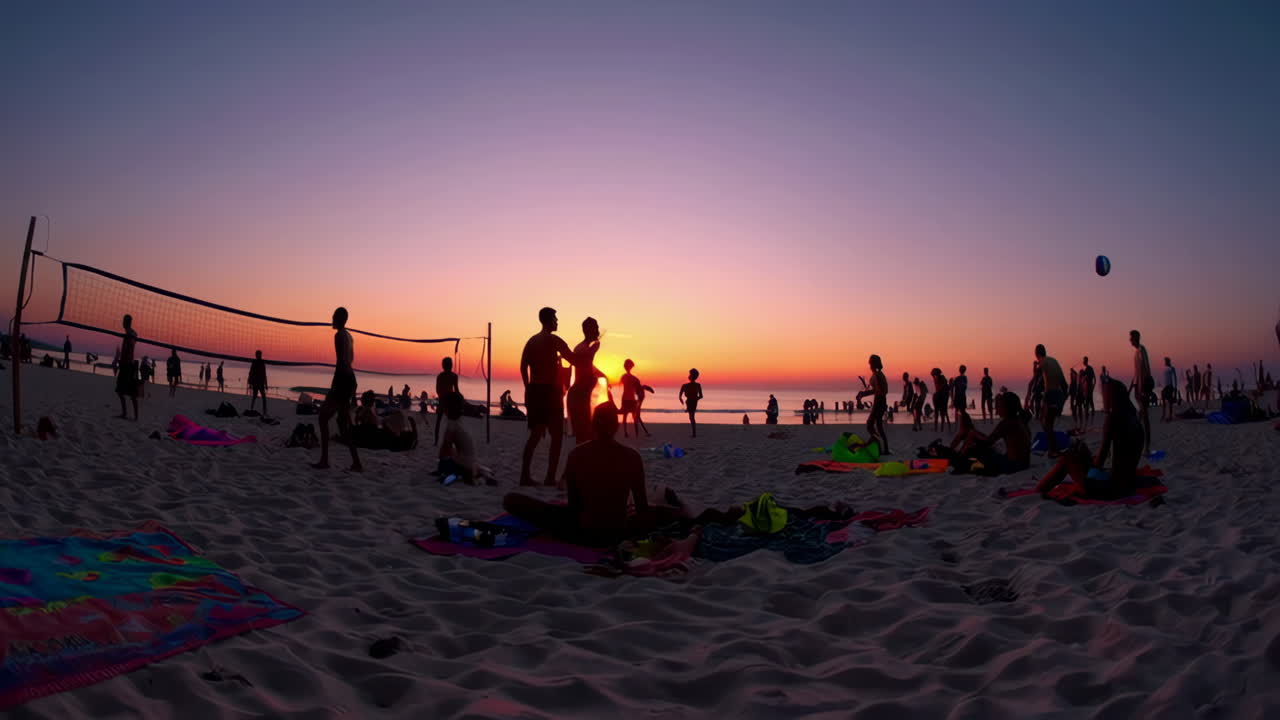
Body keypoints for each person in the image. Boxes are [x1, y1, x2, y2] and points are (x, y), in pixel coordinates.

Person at [503, 401, 678, 546]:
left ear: (593, 424)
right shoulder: (632, 457)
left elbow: (574, 506)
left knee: (511, 500)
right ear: (616, 425)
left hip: (581, 531)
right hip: (616, 532)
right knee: (663, 513)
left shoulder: (576, 454)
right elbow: (641, 508)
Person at [1035, 379, 1144, 499]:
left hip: (1112, 488)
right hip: (1128, 484)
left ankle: (1038, 491)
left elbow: (1100, 461)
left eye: (1105, 395)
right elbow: (1121, 458)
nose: (1103, 399)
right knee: (1081, 453)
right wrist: (1087, 457)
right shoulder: (1134, 419)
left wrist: (1087, 463)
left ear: (1112, 397)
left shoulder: (1113, 419)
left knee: (1067, 458)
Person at [520, 307, 577, 487]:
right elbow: (574, 359)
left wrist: (528, 387)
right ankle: (550, 477)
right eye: (555, 319)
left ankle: (524, 475)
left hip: (535, 391)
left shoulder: (532, 341)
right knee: (557, 436)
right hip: (551, 393)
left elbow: (523, 366)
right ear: (549, 320)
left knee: (535, 435)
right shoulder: (553, 340)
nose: (557, 322)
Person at [313, 307, 362, 472]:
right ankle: (356, 463)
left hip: (343, 380)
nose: (331, 318)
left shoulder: (339, 335)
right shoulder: (349, 336)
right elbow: (350, 360)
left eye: (334, 316)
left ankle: (324, 460)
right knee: (343, 423)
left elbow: (341, 362)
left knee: (323, 418)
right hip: (350, 379)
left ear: (340, 319)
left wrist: (334, 386)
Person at [438, 392, 493, 485]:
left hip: (465, 465)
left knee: (443, 465)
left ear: (448, 408)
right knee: (452, 454)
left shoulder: (451, 425)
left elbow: (445, 449)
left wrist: (442, 459)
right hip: (472, 462)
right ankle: (474, 473)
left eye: (444, 406)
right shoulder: (460, 422)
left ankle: (456, 476)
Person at [567, 317, 605, 445]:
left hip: (582, 393)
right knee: (583, 432)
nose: (598, 331)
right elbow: (583, 363)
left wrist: (601, 374)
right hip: (579, 393)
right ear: (588, 330)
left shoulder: (586, 347)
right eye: (596, 327)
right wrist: (592, 350)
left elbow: (588, 366)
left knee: (586, 432)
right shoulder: (584, 348)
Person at [1035, 344, 1069, 457]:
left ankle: (1053, 449)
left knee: (1045, 422)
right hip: (1059, 394)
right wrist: (1063, 400)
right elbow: (1064, 384)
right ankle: (1053, 446)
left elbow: (1035, 378)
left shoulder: (1042, 362)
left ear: (1036, 354)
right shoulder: (1054, 360)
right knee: (1048, 422)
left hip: (1050, 393)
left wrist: (1035, 367)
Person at [856, 355, 890, 454]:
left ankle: (877, 443)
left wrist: (864, 394)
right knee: (878, 426)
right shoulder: (879, 374)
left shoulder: (878, 375)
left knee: (870, 424)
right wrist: (863, 394)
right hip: (881, 401)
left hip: (879, 401)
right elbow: (878, 390)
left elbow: (882, 391)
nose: (869, 365)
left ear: (874, 364)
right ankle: (885, 449)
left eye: (870, 363)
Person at [1129, 330, 1153, 458]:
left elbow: (1147, 369)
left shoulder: (1142, 350)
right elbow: (1136, 371)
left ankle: (1147, 446)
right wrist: (1133, 384)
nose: (1129, 340)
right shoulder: (1135, 353)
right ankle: (1138, 442)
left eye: (1131, 338)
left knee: (1145, 417)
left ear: (1136, 338)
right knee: (1140, 416)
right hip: (1137, 388)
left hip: (1143, 387)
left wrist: (1146, 388)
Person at [619, 359, 654, 438]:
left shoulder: (624, 377)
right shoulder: (633, 378)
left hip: (626, 399)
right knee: (634, 417)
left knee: (628, 417)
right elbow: (639, 389)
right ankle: (635, 434)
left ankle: (627, 433)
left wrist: (644, 389)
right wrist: (645, 388)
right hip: (629, 399)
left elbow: (637, 388)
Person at [115, 315, 140, 420]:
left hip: (127, 365)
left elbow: (128, 349)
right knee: (123, 391)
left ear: (126, 322)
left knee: (126, 392)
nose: (122, 323)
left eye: (124, 321)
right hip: (127, 364)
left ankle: (130, 415)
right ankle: (130, 415)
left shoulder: (129, 335)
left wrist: (121, 360)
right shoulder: (132, 333)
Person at [433, 357, 460, 446]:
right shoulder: (453, 376)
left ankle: (436, 441)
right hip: (449, 401)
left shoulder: (440, 376)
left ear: (443, 366)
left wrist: (443, 396)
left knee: (439, 421)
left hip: (444, 400)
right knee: (450, 422)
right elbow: (456, 390)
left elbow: (438, 390)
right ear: (451, 365)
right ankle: (445, 441)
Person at [679, 368, 703, 438]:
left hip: (693, 402)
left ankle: (694, 434)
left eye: (690, 375)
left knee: (692, 417)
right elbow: (680, 393)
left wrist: (696, 399)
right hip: (689, 401)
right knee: (691, 417)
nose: (689, 376)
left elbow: (701, 396)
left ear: (693, 376)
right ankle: (694, 433)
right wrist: (680, 398)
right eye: (689, 375)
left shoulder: (697, 385)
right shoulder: (685, 385)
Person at [248, 350, 269, 415]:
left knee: (263, 397)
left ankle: (264, 411)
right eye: (257, 354)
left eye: (258, 354)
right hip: (256, 382)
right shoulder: (255, 362)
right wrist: (250, 382)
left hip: (260, 382)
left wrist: (266, 384)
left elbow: (264, 373)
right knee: (256, 396)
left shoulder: (261, 362)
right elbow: (251, 372)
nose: (257, 355)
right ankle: (252, 408)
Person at [931, 368, 951, 433]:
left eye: (935, 374)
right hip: (939, 397)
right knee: (939, 413)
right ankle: (937, 429)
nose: (934, 376)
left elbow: (944, 387)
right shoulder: (937, 379)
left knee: (942, 414)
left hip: (942, 398)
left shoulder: (941, 378)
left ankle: (939, 429)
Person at [1081, 357, 1097, 425]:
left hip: (1088, 388)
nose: (1083, 362)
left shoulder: (1088, 369)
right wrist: (1093, 386)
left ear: (1086, 361)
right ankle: (1091, 420)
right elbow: (1094, 378)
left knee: (1087, 403)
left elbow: (1084, 377)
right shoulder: (1090, 368)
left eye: (1083, 361)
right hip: (1089, 387)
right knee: (1090, 402)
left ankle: (1088, 420)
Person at [1161, 357, 1178, 422]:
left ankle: (1170, 415)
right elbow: (1164, 379)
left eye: (1165, 361)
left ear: (1168, 361)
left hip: (1170, 387)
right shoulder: (1164, 369)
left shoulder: (1171, 368)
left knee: (1170, 402)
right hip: (1164, 387)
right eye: (1165, 361)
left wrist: (1175, 388)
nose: (1165, 362)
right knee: (1164, 401)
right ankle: (1164, 415)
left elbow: (1174, 378)